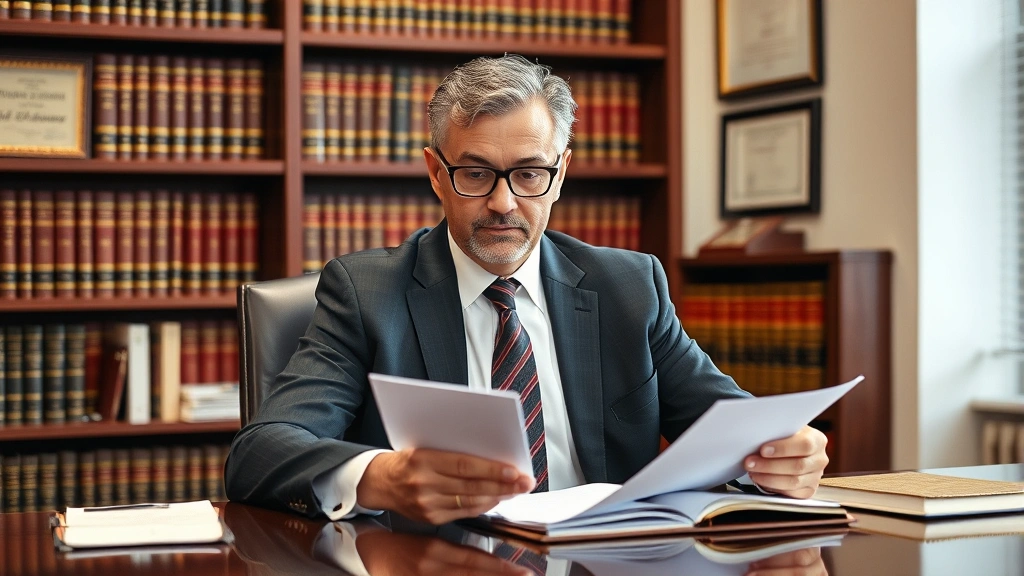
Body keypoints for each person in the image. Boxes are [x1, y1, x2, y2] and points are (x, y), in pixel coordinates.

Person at [225, 54, 829, 525]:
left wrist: (781, 455)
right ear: (437, 172)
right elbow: (260, 453)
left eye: (530, 174)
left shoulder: (629, 287)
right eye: (476, 174)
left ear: (560, 173)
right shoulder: (367, 292)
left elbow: (732, 425)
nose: (503, 203)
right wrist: (379, 476)